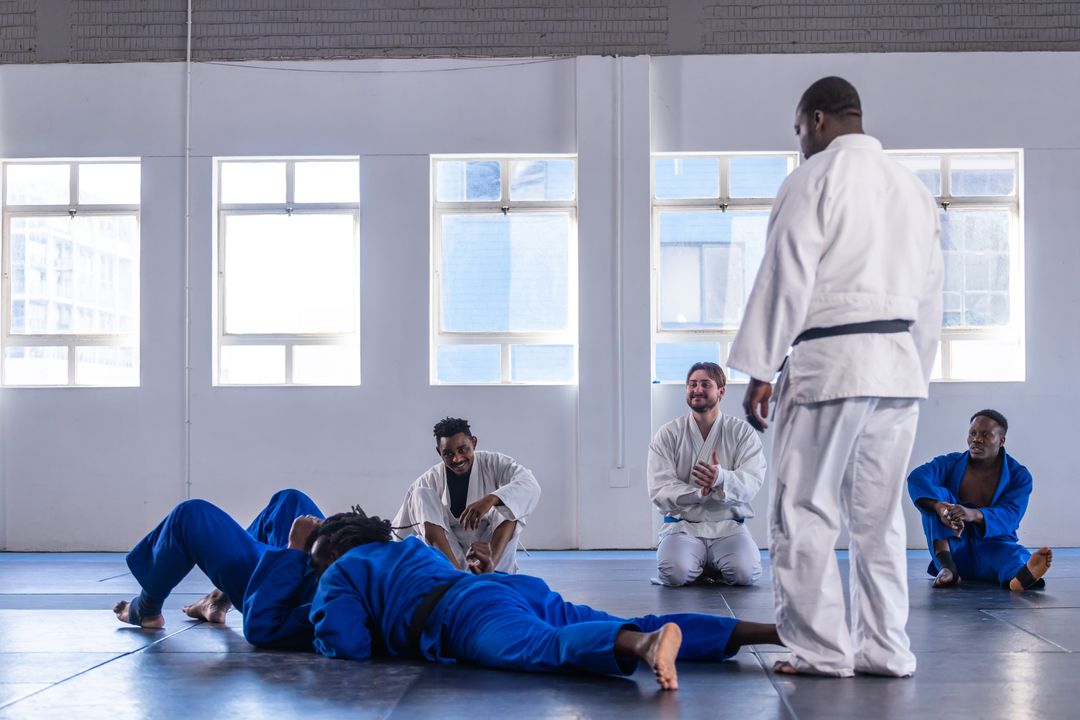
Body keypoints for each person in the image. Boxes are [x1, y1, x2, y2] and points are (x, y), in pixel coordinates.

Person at [727, 76, 944, 678]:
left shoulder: (812, 179)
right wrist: (913, 369)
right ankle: (886, 650)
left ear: (817, 119)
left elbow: (786, 270)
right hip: (898, 367)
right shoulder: (912, 188)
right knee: (879, 518)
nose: (799, 142)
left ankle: (823, 649)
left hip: (830, 364)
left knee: (806, 508)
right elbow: (931, 297)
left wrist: (761, 366)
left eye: (798, 130)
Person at [305, 510, 783, 691]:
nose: (316, 569)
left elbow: (347, 643)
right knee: (629, 616)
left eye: (317, 560)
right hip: (505, 590)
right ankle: (777, 631)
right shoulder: (400, 548)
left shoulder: (340, 571)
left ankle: (646, 646)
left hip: (463, 617)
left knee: (544, 647)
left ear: (334, 550)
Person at [112, 489, 327, 650]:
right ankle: (220, 597)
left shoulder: (339, 604)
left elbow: (262, 628)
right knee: (289, 500)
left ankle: (146, 609)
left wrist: (295, 550)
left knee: (190, 515)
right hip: (321, 566)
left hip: (289, 588)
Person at [647, 361, 765, 587]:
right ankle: (698, 566)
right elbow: (658, 486)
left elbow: (753, 479)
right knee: (674, 573)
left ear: (721, 391)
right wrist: (696, 494)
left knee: (745, 574)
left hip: (728, 526)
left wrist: (721, 478)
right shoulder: (668, 434)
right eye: (692, 384)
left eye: (705, 384)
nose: (697, 390)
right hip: (682, 526)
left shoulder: (741, 433)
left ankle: (710, 565)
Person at [908, 409, 1052, 591]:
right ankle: (947, 569)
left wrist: (974, 514)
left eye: (985, 435)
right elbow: (917, 478)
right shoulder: (951, 462)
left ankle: (1018, 579)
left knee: (1013, 555)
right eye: (973, 433)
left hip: (992, 546)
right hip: (953, 548)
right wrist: (939, 508)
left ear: (1001, 441)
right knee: (938, 497)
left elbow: (1011, 515)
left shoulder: (1019, 476)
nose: (976, 439)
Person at [393, 417, 540, 573]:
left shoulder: (495, 463)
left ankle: (488, 569)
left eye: (462, 450)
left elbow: (530, 485)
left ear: (474, 442)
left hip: (492, 553)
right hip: (452, 560)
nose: (457, 459)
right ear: (439, 452)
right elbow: (399, 534)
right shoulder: (429, 480)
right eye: (448, 454)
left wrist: (491, 499)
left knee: (511, 502)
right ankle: (457, 577)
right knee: (420, 494)